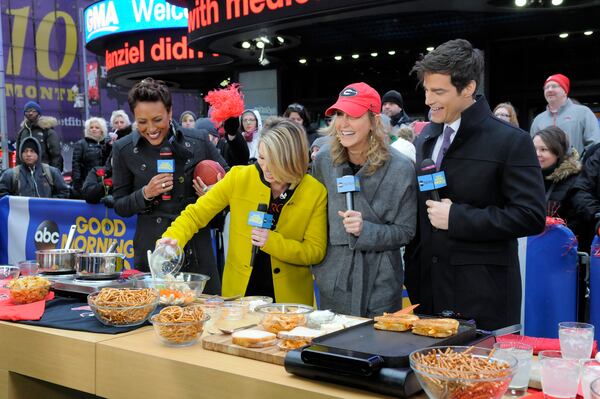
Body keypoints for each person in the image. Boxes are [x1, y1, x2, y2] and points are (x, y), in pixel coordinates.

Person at [404, 39, 546, 330]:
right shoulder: (426, 138)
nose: (429, 100)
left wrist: (458, 217)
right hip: (427, 294)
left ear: (468, 88)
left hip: (482, 297)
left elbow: (531, 216)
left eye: (439, 91)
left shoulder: (510, 140)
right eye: (427, 90)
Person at [159, 118, 327, 304]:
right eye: (262, 158)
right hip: (240, 297)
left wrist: (273, 242)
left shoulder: (315, 191)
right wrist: (173, 238)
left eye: (275, 161)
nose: (266, 168)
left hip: (290, 303)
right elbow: (196, 214)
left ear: (292, 159)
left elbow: (315, 251)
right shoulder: (239, 177)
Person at [111, 78, 228, 294]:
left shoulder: (199, 140)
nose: (151, 129)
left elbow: (230, 184)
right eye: (142, 121)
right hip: (151, 251)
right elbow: (120, 205)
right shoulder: (123, 149)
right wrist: (145, 193)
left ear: (170, 112)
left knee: (207, 316)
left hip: (197, 247)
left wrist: (213, 193)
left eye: (157, 119)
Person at [311, 82, 417, 317]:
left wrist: (366, 230)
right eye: (339, 114)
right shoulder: (324, 161)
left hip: (380, 283)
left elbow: (406, 231)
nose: (343, 123)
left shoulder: (401, 168)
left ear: (373, 120)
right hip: (334, 280)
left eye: (353, 115)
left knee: (377, 349)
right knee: (333, 348)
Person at [532, 126, 585, 242]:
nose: (537, 154)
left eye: (543, 149)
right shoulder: (526, 177)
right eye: (534, 149)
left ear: (558, 152)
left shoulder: (573, 180)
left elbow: (578, 221)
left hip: (559, 248)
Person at [530, 74, 600, 154]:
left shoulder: (583, 112)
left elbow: (595, 145)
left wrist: (584, 165)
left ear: (565, 91)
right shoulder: (538, 120)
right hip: (545, 166)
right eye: (546, 87)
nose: (549, 90)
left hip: (576, 166)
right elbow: (533, 149)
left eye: (554, 86)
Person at [0, 136, 69, 198]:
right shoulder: (10, 175)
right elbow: (3, 196)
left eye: (32, 151)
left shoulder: (52, 172)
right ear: (21, 154)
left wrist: (50, 205)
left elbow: (63, 193)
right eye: (25, 151)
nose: (28, 154)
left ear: (38, 153)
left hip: (46, 212)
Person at [16, 101, 63, 170]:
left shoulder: (47, 131)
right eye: (27, 111)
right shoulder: (22, 133)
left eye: (33, 111)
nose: (30, 113)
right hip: (26, 174)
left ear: (39, 113)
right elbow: (18, 156)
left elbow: (56, 156)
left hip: (44, 173)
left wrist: (53, 174)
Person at [70, 117, 110, 198]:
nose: (93, 129)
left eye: (97, 127)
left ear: (102, 130)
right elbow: (76, 165)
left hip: (104, 184)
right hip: (86, 184)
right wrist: (78, 185)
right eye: (91, 127)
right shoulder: (81, 144)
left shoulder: (108, 144)